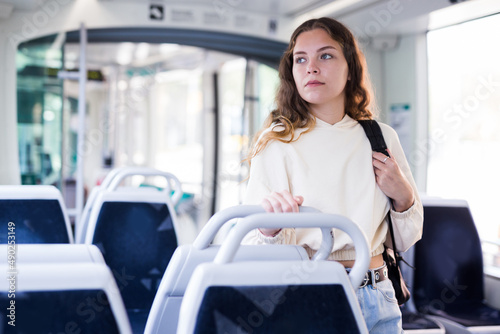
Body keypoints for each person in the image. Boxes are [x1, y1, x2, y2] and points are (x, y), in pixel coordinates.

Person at [242, 17, 423, 333]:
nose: (311, 67)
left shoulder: (380, 138)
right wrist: (270, 229)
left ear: (350, 68)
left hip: (379, 294)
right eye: (301, 59)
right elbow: (254, 248)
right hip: (312, 291)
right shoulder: (276, 142)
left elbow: (407, 239)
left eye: (325, 55)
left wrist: (403, 195)